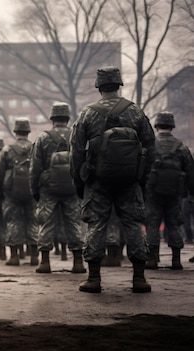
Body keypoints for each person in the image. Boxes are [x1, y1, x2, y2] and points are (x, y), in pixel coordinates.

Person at [70, 66, 155, 293]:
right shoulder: (135, 112)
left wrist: (80, 182)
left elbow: (76, 151)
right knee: (134, 224)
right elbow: (150, 147)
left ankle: (94, 279)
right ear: (119, 85)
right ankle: (139, 278)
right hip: (130, 181)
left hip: (97, 182)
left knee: (96, 224)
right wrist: (141, 179)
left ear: (98, 86)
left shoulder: (88, 113)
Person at [30, 102, 85, 274]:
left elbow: (35, 167)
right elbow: (83, 162)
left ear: (52, 118)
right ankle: (78, 262)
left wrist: (35, 190)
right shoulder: (76, 136)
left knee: (46, 223)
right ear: (67, 118)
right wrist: (81, 187)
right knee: (74, 223)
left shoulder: (43, 138)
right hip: (72, 187)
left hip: (48, 189)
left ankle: (45, 262)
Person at [144, 111, 194, 270]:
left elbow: (142, 168)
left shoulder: (150, 145)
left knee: (152, 223)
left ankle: (152, 259)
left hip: (153, 193)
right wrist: (189, 191)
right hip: (175, 193)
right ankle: (176, 260)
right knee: (174, 223)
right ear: (172, 126)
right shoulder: (181, 147)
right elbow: (190, 171)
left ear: (157, 125)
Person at [0, 118, 38, 266]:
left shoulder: (7, 150)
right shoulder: (35, 147)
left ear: (15, 131)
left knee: (13, 222)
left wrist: (0, 192)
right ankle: (34, 256)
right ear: (28, 131)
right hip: (32, 192)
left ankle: (14, 257)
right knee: (33, 221)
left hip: (11, 193)